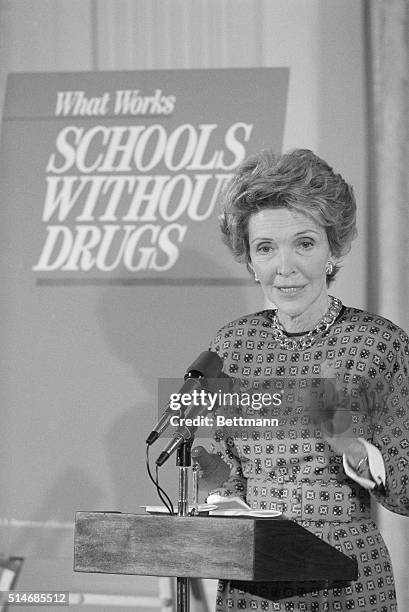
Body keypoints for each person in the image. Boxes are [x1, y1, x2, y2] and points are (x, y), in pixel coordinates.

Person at [195, 149, 408, 612]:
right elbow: (227, 468)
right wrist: (220, 495)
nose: (284, 267)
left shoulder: (377, 344)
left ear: (333, 250)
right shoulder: (232, 344)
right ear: (249, 259)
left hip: (347, 582)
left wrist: (353, 448)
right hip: (253, 584)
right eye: (266, 248)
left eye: (305, 243)